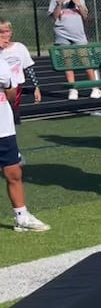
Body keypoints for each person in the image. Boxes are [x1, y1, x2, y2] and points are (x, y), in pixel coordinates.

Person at [0, 66, 49, 232]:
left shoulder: (2, 62)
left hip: (4, 128)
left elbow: (11, 93)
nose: (6, 38)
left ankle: (21, 216)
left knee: (13, 171)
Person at [47, 0, 101, 100]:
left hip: (78, 35)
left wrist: (78, 4)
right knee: (68, 62)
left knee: (85, 60)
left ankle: (95, 87)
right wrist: (59, 4)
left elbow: (86, 16)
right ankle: (73, 89)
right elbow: (54, 17)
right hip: (62, 35)